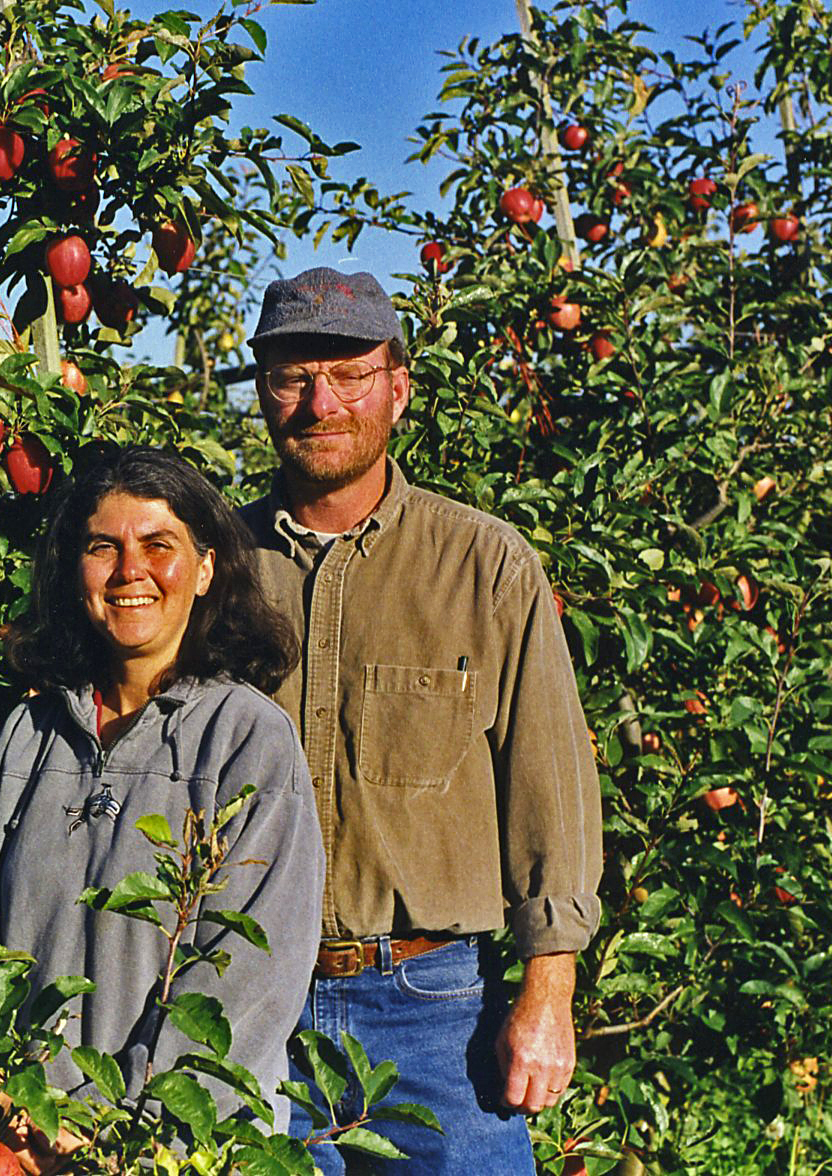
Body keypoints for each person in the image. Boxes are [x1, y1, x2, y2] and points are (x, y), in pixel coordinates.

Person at [236, 268, 604, 1173]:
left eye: (350, 374)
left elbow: (548, 789)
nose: (320, 401)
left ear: (398, 387)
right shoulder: (210, 569)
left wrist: (547, 993)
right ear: (261, 393)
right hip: (248, 1001)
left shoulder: (485, 565)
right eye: (292, 376)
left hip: (434, 1011)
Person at [0, 445, 326, 1148]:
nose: (130, 572)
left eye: (159, 545)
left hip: (175, 1151)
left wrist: (119, 1138)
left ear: (207, 567)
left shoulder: (248, 741)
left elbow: (248, 987)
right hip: (13, 1140)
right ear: (74, 571)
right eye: (103, 547)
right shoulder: (31, 734)